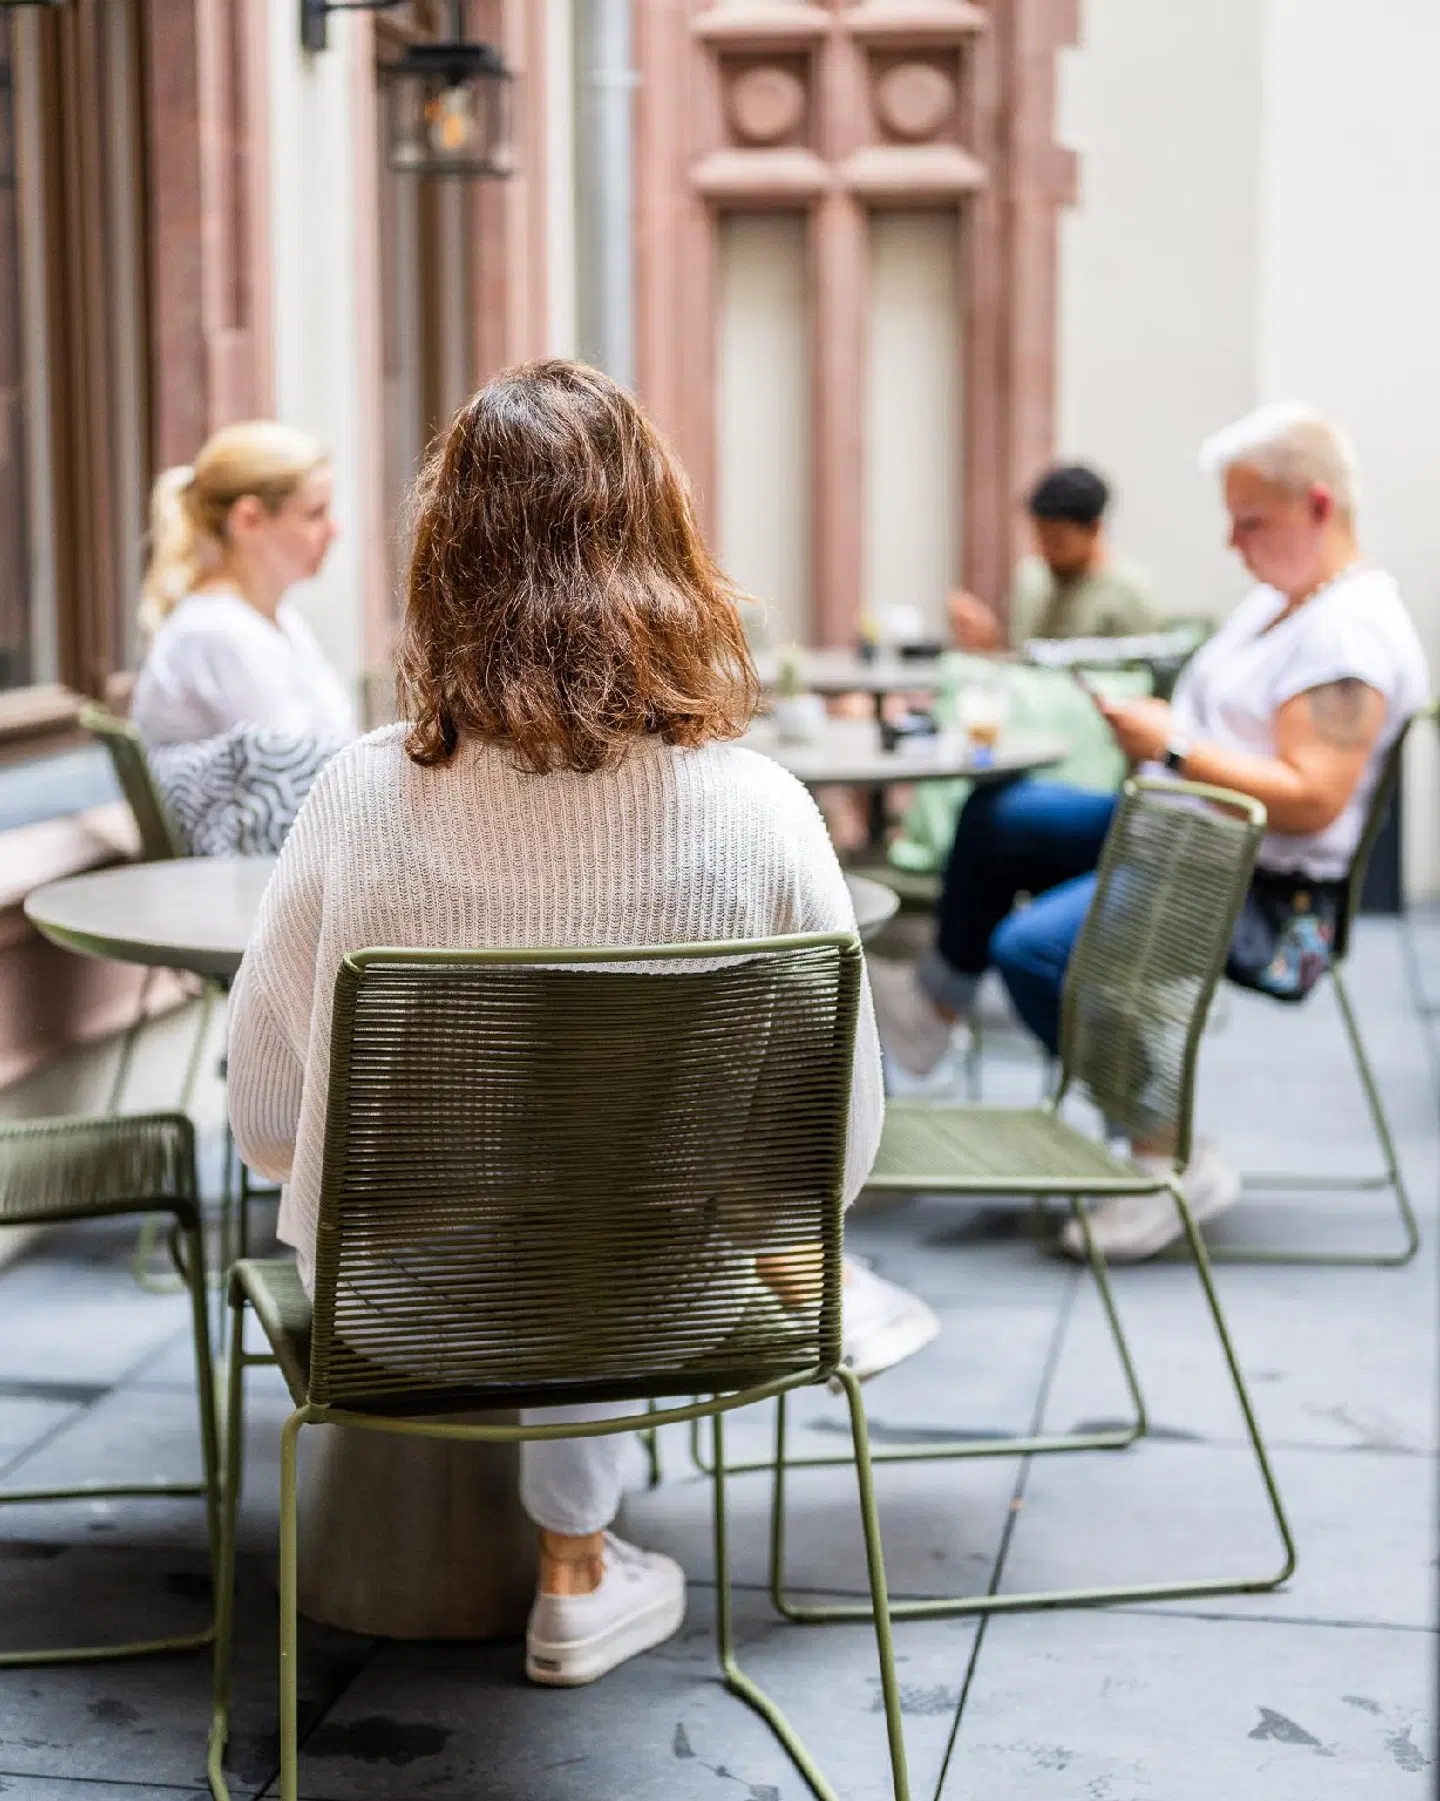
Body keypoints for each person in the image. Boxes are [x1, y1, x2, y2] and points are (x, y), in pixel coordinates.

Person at [226, 359, 938, 1689]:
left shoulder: (356, 800)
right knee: (615, 1191)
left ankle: (569, 1555)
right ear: (665, 547)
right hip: (672, 1304)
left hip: (398, 1314)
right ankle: (579, 1561)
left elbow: (266, 1119)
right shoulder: (767, 813)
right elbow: (828, 1162)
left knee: (539, 1203)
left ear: (443, 560)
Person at [873, 404, 1429, 1260]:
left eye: (1250, 521)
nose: (1232, 542)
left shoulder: (1348, 631)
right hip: (1180, 825)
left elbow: (1313, 800)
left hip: (1258, 886)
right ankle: (936, 1006)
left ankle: (1165, 1148)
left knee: (1032, 950)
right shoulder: (1289, 603)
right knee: (997, 814)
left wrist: (1171, 744)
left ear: (1317, 505)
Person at [131, 421, 357, 749]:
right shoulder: (216, 633)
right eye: (314, 513)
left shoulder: (278, 619)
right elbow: (292, 764)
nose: (334, 530)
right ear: (248, 520)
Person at [947, 463, 1161, 653]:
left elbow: (1144, 673)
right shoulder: (1031, 579)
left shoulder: (1130, 594)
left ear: (1094, 528)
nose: (1044, 550)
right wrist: (990, 643)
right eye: (1039, 537)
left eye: (1057, 540)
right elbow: (1021, 664)